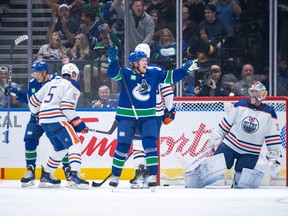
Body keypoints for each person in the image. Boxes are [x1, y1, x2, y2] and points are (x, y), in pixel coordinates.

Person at [107, 45, 200, 189]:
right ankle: (115, 176)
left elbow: (171, 77)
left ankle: (151, 176)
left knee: (150, 145)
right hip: (127, 116)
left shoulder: (154, 72)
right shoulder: (125, 73)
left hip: (148, 117)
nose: (146, 62)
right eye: (143, 60)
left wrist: (184, 69)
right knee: (123, 146)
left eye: (146, 59)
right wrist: (112, 60)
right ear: (135, 63)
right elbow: (112, 73)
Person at [206, 81, 284, 188]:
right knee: (212, 173)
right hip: (230, 146)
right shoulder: (241, 104)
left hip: (251, 152)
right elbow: (224, 126)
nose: (253, 95)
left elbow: (273, 138)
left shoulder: (269, 113)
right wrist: (214, 142)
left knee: (241, 185)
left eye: (256, 92)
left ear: (263, 94)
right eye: (251, 92)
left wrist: (274, 156)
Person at [5, 60, 70, 187]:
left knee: (61, 145)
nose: (36, 76)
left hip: (53, 118)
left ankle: (68, 170)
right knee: (29, 140)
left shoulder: (57, 82)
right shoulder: (33, 83)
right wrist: (16, 93)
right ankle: (30, 170)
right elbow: (30, 99)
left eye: (38, 73)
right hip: (36, 118)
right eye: (34, 73)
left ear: (45, 72)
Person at [28, 63, 90, 189]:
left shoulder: (51, 82)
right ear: (73, 74)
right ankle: (74, 174)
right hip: (57, 119)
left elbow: (33, 102)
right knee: (75, 144)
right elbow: (66, 108)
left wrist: (39, 115)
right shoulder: (72, 84)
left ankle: (47, 175)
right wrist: (79, 124)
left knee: (60, 148)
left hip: (44, 121)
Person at [129, 43, 175, 189]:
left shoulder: (132, 72)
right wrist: (170, 110)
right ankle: (151, 177)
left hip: (138, 113)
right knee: (149, 144)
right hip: (156, 114)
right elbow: (167, 91)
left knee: (137, 144)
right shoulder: (159, 70)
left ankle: (139, 176)